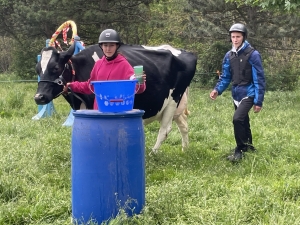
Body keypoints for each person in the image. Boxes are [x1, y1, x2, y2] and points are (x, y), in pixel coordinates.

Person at [209, 23, 266, 162]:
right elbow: (226, 76)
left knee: (237, 119)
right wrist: (217, 89)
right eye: (233, 36)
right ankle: (248, 146)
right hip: (236, 93)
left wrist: (258, 101)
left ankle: (239, 149)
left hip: (249, 92)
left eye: (238, 36)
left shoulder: (253, 54)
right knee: (244, 120)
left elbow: (259, 78)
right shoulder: (229, 55)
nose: (235, 39)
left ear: (244, 37)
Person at [63, 29, 146, 110]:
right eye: (105, 45)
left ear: (117, 46)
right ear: (101, 46)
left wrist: (140, 82)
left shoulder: (124, 64)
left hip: (117, 113)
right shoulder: (98, 64)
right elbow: (91, 86)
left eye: (111, 45)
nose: (108, 49)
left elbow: (137, 89)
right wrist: (72, 86)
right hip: (100, 112)